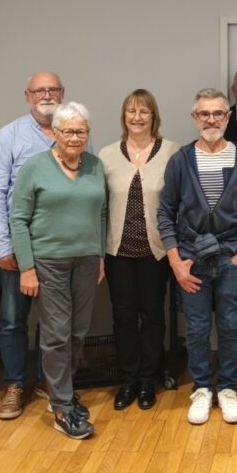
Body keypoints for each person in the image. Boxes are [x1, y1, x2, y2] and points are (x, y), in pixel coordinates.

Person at [157, 88, 237, 426]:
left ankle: (229, 388)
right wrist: (176, 261)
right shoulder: (181, 160)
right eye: (204, 114)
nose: (211, 120)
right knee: (197, 327)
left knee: (233, 326)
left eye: (218, 113)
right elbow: (165, 213)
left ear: (228, 116)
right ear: (194, 118)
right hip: (191, 258)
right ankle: (203, 388)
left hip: (231, 256)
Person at [0, 70, 90, 419]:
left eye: (53, 89)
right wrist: (3, 246)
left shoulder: (77, 134)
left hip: (61, 249)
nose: (46, 95)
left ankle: (55, 385)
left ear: (62, 93)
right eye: (39, 90)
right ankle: (16, 383)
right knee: (14, 318)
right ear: (27, 95)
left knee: (59, 324)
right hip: (19, 246)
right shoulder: (10, 135)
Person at [10, 102, 106, 440]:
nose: (75, 137)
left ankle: (62, 391)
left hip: (87, 260)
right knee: (56, 334)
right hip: (48, 261)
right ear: (56, 133)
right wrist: (26, 268)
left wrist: (100, 254)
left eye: (81, 131)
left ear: (88, 134)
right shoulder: (35, 168)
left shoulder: (95, 165)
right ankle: (62, 407)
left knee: (79, 331)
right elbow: (18, 220)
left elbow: (102, 212)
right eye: (68, 131)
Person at [98, 90, 179, 411]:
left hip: (155, 252)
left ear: (153, 116)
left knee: (153, 315)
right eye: (131, 111)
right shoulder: (106, 155)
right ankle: (128, 379)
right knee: (123, 317)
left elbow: (178, 201)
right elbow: (99, 206)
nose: (137, 117)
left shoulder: (172, 152)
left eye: (144, 111)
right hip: (117, 252)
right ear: (124, 116)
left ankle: (148, 379)